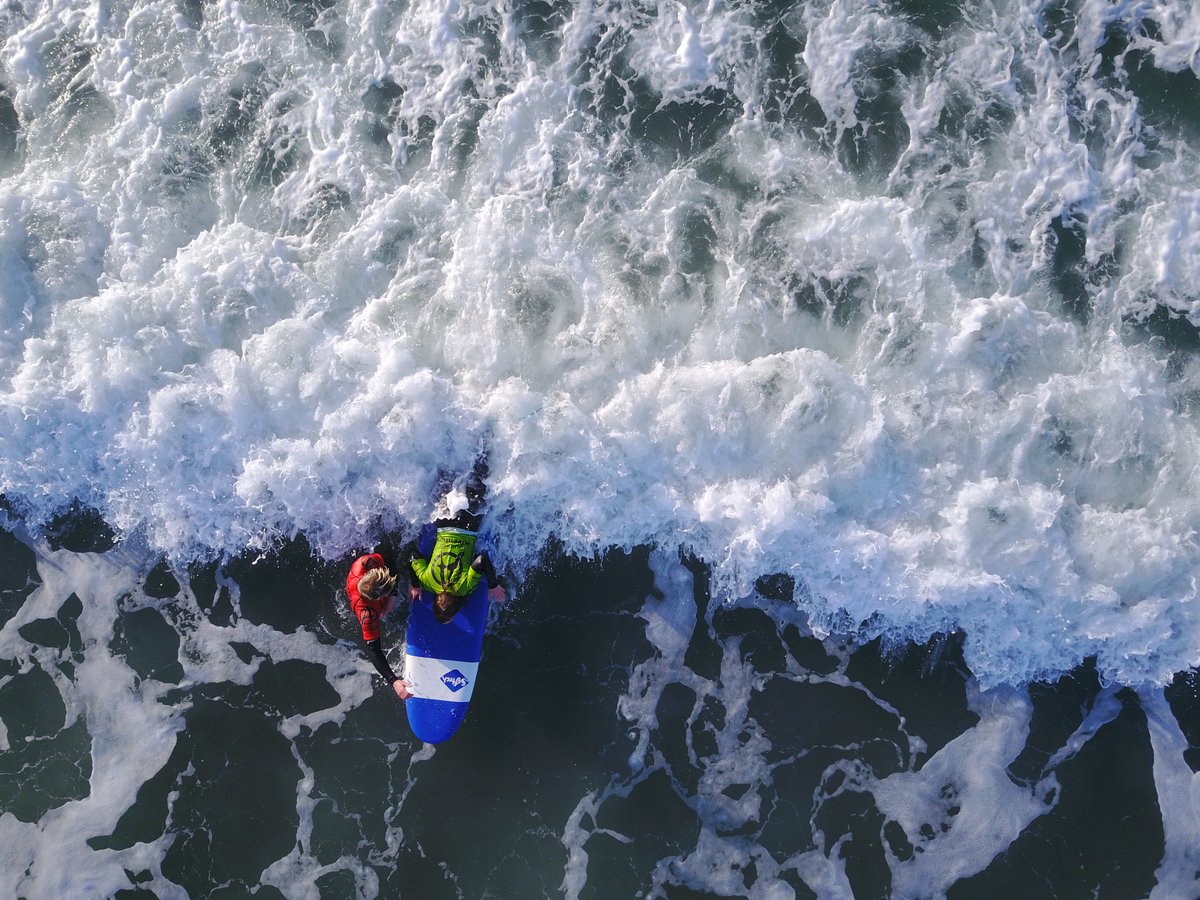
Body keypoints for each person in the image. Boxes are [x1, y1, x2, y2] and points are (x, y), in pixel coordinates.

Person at [405, 452, 505, 624]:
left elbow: (481, 560)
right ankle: (452, 443)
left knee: (480, 472)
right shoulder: (427, 582)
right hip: (445, 519)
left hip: (468, 523)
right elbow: (412, 555)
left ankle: (484, 444)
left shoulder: (465, 588)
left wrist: (493, 585)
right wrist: (415, 584)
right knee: (449, 476)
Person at [346, 552, 413, 700]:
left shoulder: (366, 563)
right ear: (380, 598)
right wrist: (394, 681)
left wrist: (393, 595)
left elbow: (390, 563)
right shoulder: (368, 614)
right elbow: (373, 650)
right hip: (363, 602)